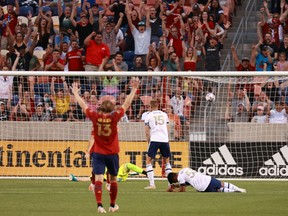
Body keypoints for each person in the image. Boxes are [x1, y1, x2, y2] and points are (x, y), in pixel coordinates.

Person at [71, 77, 140, 213]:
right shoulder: (114, 117)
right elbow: (126, 104)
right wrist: (134, 89)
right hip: (112, 153)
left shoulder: (95, 117)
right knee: (113, 180)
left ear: (100, 107)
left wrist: (76, 94)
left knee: (98, 179)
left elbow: (84, 106)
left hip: (98, 153)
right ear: (112, 108)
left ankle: (99, 206)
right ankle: (112, 205)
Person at [144, 99, 172, 190]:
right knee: (167, 161)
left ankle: (152, 184)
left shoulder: (148, 116)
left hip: (155, 139)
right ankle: (170, 184)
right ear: (158, 106)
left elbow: (147, 132)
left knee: (148, 161)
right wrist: (166, 138)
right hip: (164, 139)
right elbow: (167, 128)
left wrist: (148, 141)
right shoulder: (164, 115)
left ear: (150, 107)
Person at [167, 167, 247, 193]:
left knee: (219, 190)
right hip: (206, 179)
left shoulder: (180, 178)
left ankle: (233, 191)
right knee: (222, 184)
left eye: (174, 181)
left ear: (174, 177)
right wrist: (176, 186)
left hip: (203, 187)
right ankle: (238, 189)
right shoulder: (184, 169)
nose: (176, 181)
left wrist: (173, 190)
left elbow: (183, 190)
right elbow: (188, 182)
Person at [69, 162, 147, 183]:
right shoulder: (101, 172)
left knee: (128, 165)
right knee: (128, 165)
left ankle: (145, 172)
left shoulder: (103, 167)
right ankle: (145, 173)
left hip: (116, 175)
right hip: (115, 177)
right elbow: (89, 179)